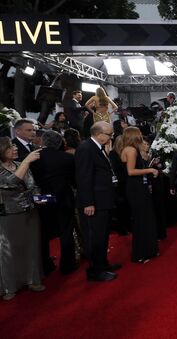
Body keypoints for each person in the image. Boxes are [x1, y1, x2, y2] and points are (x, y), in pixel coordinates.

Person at [0, 137, 45, 300]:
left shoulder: (20, 165)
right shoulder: (9, 168)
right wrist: (27, 161)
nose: (15, 148)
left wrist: (39, 197)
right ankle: (9, 286)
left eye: (14, 145)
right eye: (10, 147)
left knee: (32, 247)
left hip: (30, 212)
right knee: (8, 252)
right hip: (9, 216)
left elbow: (32, 185)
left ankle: (33, 280)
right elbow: (11, 182)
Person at [75, 121, 121, 282]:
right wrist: (88, 202)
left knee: (102, 235)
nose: (112, 136)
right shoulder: (86, 149)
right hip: (94, 203)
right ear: (99, 134)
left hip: (103, 200)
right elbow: (83, 178)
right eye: (109, 134)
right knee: (95, 237)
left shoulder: (97, 148)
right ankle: (95, 271)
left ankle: (103, 264)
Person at [30, 130, 78, 275]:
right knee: (66, 231)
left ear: (43, 141)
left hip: (43, 199)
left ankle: (45, 266)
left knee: (43, 233)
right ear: (59, 142)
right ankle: (67, 265)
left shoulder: (34, 158)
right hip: (63, 197)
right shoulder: (67, 158)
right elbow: (74, 181)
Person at [120, 127, 160, 263]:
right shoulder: (130, 150)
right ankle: (142, 252)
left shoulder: (130, 149)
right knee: (141, 220)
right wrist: (149, 170)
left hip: (136, 187)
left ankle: (146, 250)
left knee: (143, 218)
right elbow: (131, 171)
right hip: (136, 188)